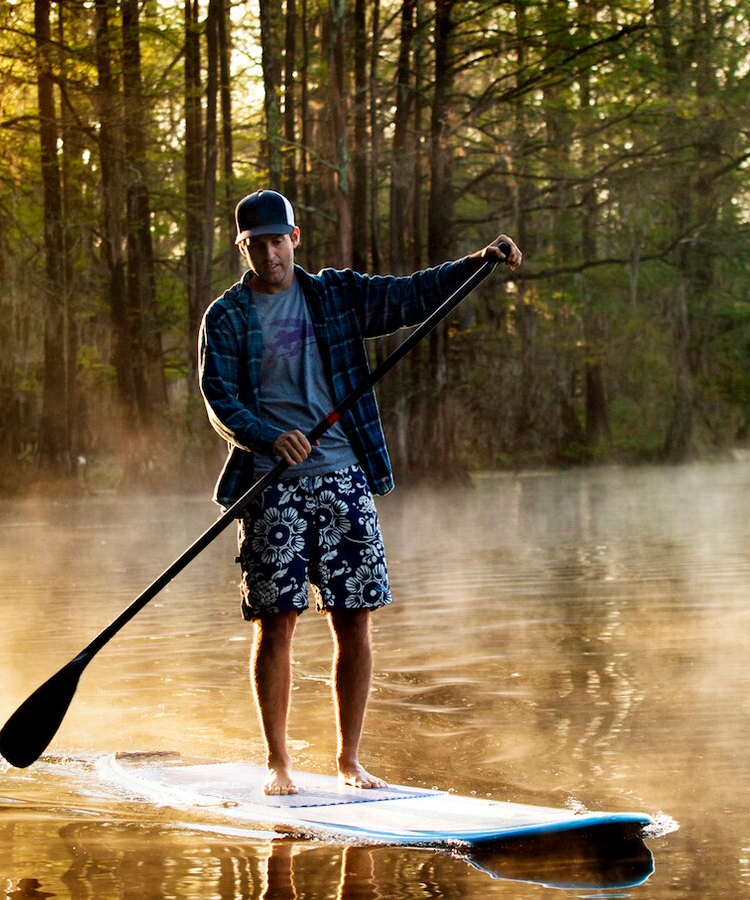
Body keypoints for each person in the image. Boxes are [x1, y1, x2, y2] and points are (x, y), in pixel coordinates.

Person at [198, 189, 521, 795]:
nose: (268, 253)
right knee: (277, 622)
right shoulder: (227, 317)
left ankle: (349, 760)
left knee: (355, 619)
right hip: (271, 488)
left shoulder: (335, 295)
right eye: (255, 244)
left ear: (295, 239)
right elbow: (221, 399)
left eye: (277, 240)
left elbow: (409, 295)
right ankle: (279, 764)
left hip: (346, 478)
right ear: (242, 247)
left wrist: (477, 262)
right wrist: (268, 437)